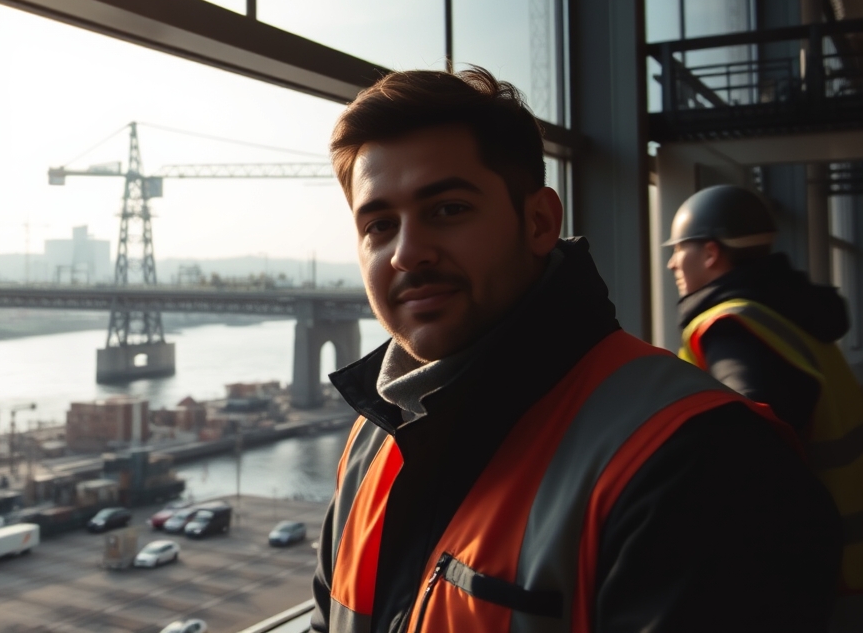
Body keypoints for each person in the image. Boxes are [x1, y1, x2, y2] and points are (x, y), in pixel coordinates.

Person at [311, 67, 840, 633]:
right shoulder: (375, 439)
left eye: (448, 209)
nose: (407, 253)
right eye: (380, 225)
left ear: (540, 221)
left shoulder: (706, 463)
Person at [666, 184, 863, 611]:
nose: (671, 262)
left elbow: (745, 455)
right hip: (841, 550)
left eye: (679, 249)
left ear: (712, 253)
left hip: (808, 571)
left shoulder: (733, 328)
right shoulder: (789, 312)